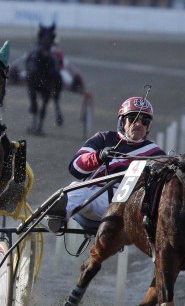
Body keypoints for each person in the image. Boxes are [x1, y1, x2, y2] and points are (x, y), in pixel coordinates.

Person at [49, 96, 165, 228]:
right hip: (95, 197)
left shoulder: (156, 153)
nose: (138, 124)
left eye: (144, 120)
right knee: (74, 188)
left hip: (130, 206)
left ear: (148, 126)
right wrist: (98, 157)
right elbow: (75, 168)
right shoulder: (103, 138)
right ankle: (56, 218)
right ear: (122, 121)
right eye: (132, 118)